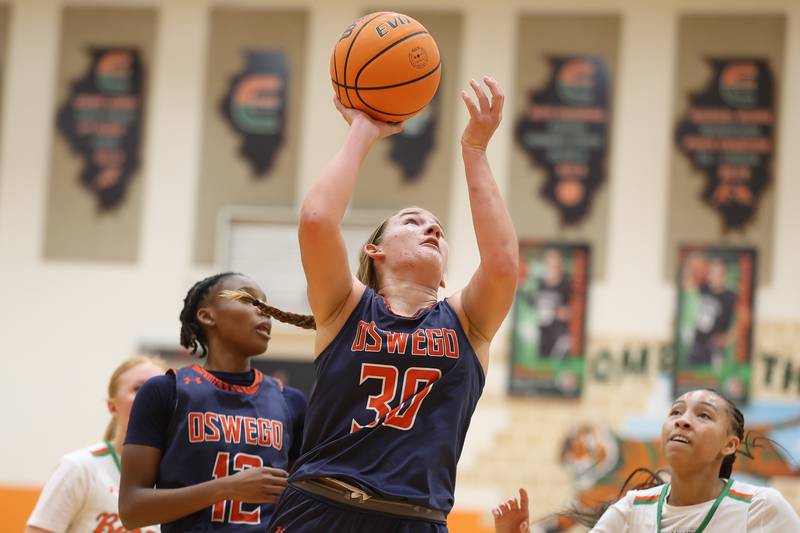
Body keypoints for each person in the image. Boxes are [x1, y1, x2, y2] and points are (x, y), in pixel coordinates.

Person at [267, 76, 518, 533]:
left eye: (439, 228)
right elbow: (317, 220)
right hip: (321, 507)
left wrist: (475, 151)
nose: (433, 229)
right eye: (413, 221)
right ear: (373, 250)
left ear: (444, 275)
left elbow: (502, 264)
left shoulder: (466, 322)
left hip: (413, 519)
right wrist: (362, 129)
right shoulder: (345, 307)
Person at [119, 273, 313, 532]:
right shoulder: (165, 391)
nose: (265, 311)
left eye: (266, 303)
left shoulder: (291, 401)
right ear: (207, 316)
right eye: (249, 299)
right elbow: (132, 510)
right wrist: (228, 487)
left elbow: (302, 502)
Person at [493, 389, 800, 532]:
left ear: (730, 445)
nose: (682, 420)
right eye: (676, 412)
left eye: (703, 414)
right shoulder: (630, 510)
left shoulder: (763, 509)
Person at [25, 355, 165, 533]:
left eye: (160, 390)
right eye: (138, 388)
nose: (150, 397)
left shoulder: (177, 478)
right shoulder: (80, 468)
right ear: (113, 407)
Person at [687, 257, 737, 368]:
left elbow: (743, 321)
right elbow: (688, 284)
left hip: (714, 350)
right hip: (697, 345)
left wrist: (727, 338)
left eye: (721, 274)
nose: (717, 277)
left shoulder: (730, 297)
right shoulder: (704, 288)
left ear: (725, 275)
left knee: (712, 380)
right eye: (714, 273)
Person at [531, 248, 570, 358]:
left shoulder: (566, 286)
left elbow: (573, 312)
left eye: (555, 265)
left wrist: (561, 312)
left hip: (559, 339)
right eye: (549, 264)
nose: (552, 268)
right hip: (542, 337)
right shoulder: (539, 285)